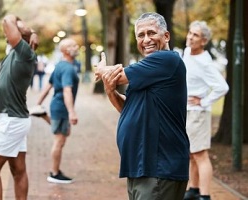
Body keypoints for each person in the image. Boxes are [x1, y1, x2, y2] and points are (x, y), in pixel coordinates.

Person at [95, 12, 190, 200]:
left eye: (151, 33)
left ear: (166, 36)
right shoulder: (148, 69)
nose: (146, 39)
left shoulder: (167, 60)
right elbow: (127, 107)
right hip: (141, 167)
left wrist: (102, 70)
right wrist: (110, 90)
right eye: (141, 35)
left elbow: (116, 76)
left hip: (160, 167)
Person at [0, 14, 38, 200]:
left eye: (17, 27)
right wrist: (31, 31)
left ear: (21, 36)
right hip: (16, 119)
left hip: (10, 121)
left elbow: (6, 19)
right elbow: (10, 26)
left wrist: (17, 20)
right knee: (18, 170)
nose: (10, 28)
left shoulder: (24, 53)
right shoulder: (16, 51)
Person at [182, 21, 229, 200]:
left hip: (198, 113)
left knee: (200, 154)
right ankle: (193, 189)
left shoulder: (205, 62)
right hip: (187, 111)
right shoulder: (187, 52)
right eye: (190, 33)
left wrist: (204, 102)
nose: (190, 37)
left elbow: (222, 87)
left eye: (195, 35)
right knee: (192, 153)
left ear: (203, 41)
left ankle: (205, 195)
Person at [34, 38, 79, 184]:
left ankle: (43, 115)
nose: (76, 47)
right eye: (72, 45)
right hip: (61, 107)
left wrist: (38, 103)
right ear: (65, 50)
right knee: (59, 140)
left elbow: (48, 86)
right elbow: (67, 91)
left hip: (58, 106)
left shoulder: (60, 66)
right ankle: (54, 173)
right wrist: (72, 112)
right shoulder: (67, 68)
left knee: (64, 133)